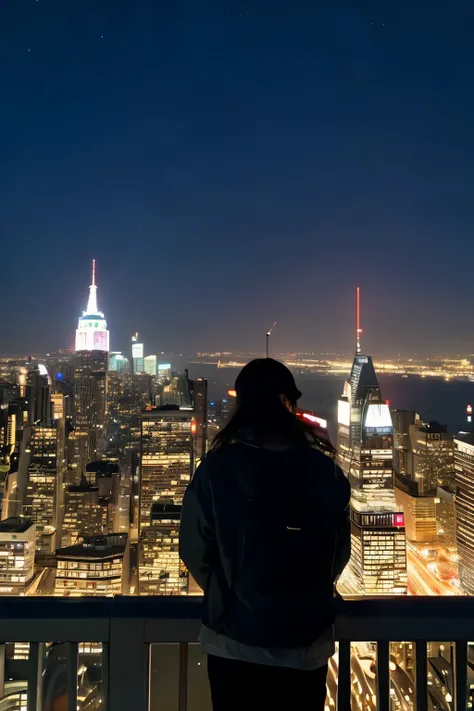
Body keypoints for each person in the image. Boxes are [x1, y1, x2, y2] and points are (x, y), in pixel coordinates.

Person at [180, 358, 351, 711]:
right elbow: (338, 551)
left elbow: (195, 549)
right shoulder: (324, 472)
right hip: (306, 645)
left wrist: (228, 589)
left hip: (233, 644)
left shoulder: (216, 470)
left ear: (240, 405)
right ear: (288, 403)